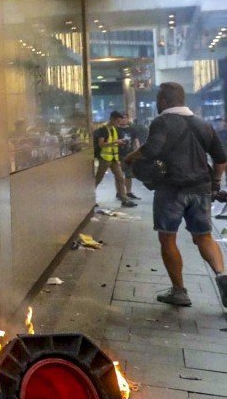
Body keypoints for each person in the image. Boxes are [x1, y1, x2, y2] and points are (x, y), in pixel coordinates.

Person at [124, 83, 227, 308]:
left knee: (168, 237)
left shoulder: (162, 122)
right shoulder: (203, 124)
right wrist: (215, 184)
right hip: (200, 189)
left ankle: (179, 291)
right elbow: (220, 159)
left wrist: (130, 157)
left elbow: (151, 149)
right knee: (204, 236)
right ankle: (221, 276)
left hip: (171, 190)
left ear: (163, 101)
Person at [93, 111, 136, 208]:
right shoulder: (103, 129)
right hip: (105, 158)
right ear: (112, 119)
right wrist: (115, 142)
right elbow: (101, 144)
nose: (119, 123)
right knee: (98, 178)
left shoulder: (114, 129)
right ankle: (90, 199)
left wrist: (118, 142)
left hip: (114, 158)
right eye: (118, 120)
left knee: (120, 178)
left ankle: (124, 199)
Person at [118, 115, 142, 201]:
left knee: (129, 174)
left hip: (129, 154)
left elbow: (136, 140)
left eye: (125, 118)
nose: (123, 120)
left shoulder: (132, 129)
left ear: (128, 119)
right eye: (122, 118)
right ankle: (120, 192)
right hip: (119, 154)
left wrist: (138, 150)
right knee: (119, 175)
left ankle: (128, 192)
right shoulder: (116, 129)